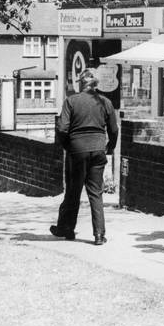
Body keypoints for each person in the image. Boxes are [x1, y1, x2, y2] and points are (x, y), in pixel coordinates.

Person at [50, 68, 118, 245]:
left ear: (82, 82)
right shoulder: (105, 102)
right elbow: (114, 129)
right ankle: (99, 235)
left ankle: (67, 229)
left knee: (73, 190)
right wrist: (110, 147)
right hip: (98, 149)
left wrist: (67, 145)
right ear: (96, 83)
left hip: (77, 149)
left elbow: (62, 128)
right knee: (96, 192)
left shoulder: (71, 101)